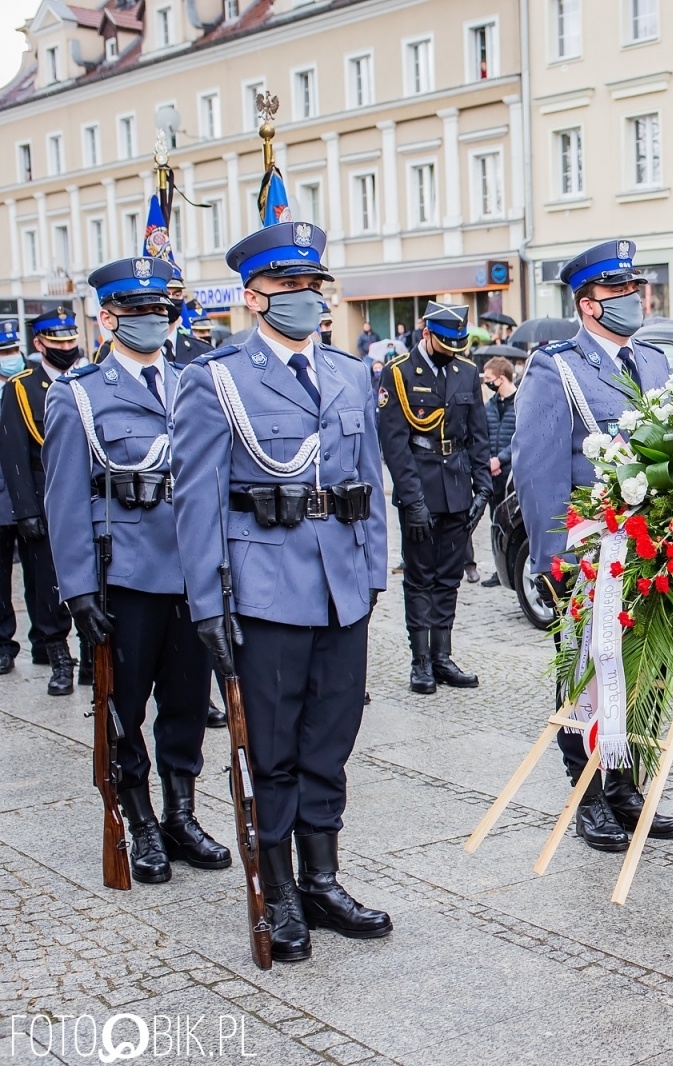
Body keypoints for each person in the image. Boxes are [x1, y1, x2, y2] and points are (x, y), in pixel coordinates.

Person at [170, 220, 392, 962]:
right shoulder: (218, 378)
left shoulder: (348, 372)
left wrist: (370, 573)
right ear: (254, 296)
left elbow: (369, 487)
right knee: (273, 751)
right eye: (289, 287)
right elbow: (196, 500)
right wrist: (208, 604)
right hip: (264, 590)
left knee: (330, 741)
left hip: (341, 591)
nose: (304, 298)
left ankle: (323, 881)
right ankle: (281, 892)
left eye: (313, 285)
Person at [44, 256, 232, 885]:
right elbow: (64, 500)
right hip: (123, 578)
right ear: (108, 318)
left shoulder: (194, 383)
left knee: (184, 701)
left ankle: (181, 812)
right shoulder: (77, 395)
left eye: (163, 311)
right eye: (140, 312)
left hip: (192, 572)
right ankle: (140, 817)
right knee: (124, 706)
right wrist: (75, 590)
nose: (155, 322)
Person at [510, 238, 673, 853]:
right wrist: (551, 557)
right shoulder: (556, 368)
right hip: (593, 553)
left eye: (635, 288)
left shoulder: (657, 364)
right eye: (619, 291)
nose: (633, 299)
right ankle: (587, 793)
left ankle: (627, 782)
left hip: (653, 552)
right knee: (588, 671)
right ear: (589, 303)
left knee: (650, 670)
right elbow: (538, 468)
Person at [377, 301, 493, 694]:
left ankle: (443, 656)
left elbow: (478, 435)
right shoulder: (400, 373)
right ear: (426, 332)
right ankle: (421, 661)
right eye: (446, 342)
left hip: (458, 489)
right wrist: (412, 500)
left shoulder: (467, 372)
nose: (453, 350)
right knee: (419, 578)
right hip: (420, 486)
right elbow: (394, 445)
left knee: (448, 577)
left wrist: (484, 488)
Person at [0, 306, 87, 695]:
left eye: (71, 340)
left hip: (89, 497)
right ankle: (58, 660)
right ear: (39, 345)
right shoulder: (21, 387)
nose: (67, 347)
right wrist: (26, 511)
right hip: (43, 494)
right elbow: (14, 454)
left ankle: (90, 655)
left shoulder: (90, 379)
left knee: (94, 580)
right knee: (47, 585)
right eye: (57, 341)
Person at [479, 355, 517, 589]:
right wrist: (487, 461)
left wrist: (499, 459)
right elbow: (481, 434)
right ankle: (498, 569)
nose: (487, 382)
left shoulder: (521, 402)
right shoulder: (490, 405)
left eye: (490, 379)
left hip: (511, 472)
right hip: (492, 473)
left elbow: (520, 438)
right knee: (496, 521)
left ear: (502, 378)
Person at [0, 321, 24, 675]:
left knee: (38, 580)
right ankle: (3, 643)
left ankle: (51, 646)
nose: (11, 358)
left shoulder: (27, 386)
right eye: (4, 354)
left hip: (26, 497)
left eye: (12, 351)